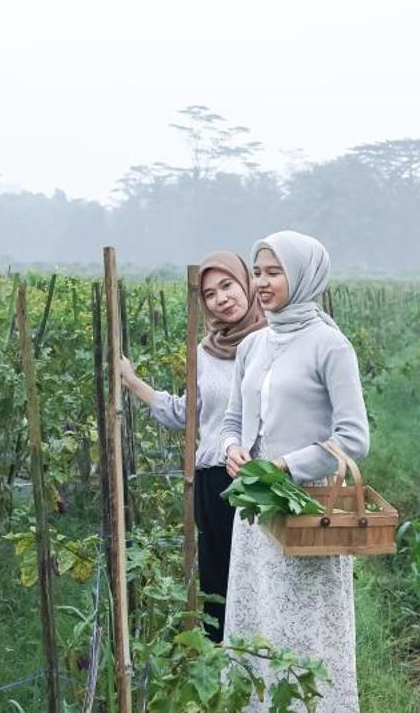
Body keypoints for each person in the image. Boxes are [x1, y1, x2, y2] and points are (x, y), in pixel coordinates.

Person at [215, 230, 368, 711]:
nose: (262, 282)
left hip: (307, 508)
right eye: (258, 271)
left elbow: (354, 439)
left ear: (303, 276)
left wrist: (285, 464)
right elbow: (233, 420)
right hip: (256, 507)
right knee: (256, 613)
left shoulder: (330, 346)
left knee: (305, 627)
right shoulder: (253, 346)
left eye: (274, 272)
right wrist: (232, 449)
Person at [117, 250, 265, 641]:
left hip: (268, 482)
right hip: (216, 481)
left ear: (246, 283)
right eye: (210, 293)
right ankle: (227, 676)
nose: (221, 298)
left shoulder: (277, 340)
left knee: (265, 581)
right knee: (219, 584)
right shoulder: (204, 352)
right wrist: (132, 381)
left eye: (228, 285)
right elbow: (188, 415)